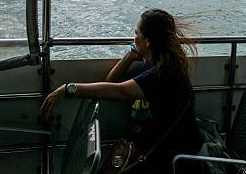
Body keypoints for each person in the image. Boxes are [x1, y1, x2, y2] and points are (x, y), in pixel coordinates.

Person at [40, 9, 203, 173]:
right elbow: (111, 81)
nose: (134, 38)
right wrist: (130, 57)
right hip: (155, 142)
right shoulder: (152, 62)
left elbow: (119, 92)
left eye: (136, 33)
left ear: (147, 41)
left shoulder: (163, 73)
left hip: (171, 150)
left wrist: (68, 89)